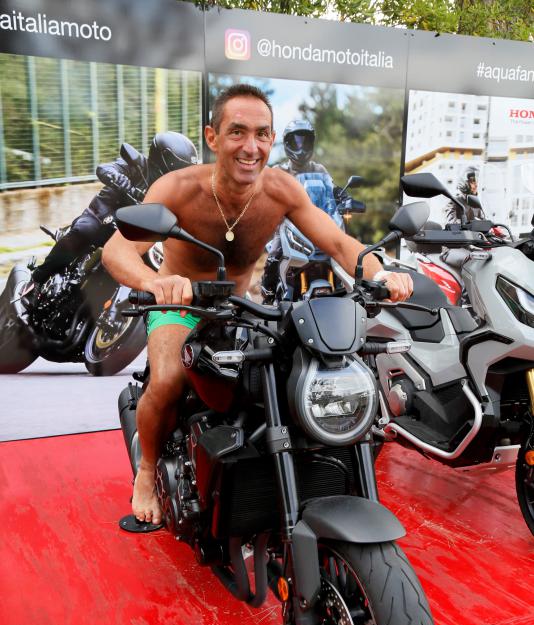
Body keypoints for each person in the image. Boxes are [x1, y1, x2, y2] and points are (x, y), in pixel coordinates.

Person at [102, 83, 413, 525]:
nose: (251, 147)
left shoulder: (281, 190)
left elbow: (339, 243)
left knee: (286, 378)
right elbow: (116, 251)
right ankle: (148, 471)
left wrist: (381, 275)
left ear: (272, 139)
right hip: (180, 306)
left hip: (240, 308)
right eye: (238, 132)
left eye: (262, 134)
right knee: (169, 380)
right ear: (212, 137)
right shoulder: (179, 188)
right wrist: (156, 283)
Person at [30, 132, 199, 288]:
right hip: (103, 217)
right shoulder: (137, 165)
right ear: (163, 161)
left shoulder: (173, 190)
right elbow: (104, 168)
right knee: (85, 231)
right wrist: (118, 178)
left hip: (133, 233)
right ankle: (36, 279)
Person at [261, 119, 339, 300]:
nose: (301, 147)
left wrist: (343, 198)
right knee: (275, 253)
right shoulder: (279, 171)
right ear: (287, 144)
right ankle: (268, 288)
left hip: (319, 225)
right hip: (288, 225)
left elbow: (332, 190)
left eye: (304, 141)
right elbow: (266, 191)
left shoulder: (319, 169)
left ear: (311, 142)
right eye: (296, 142)